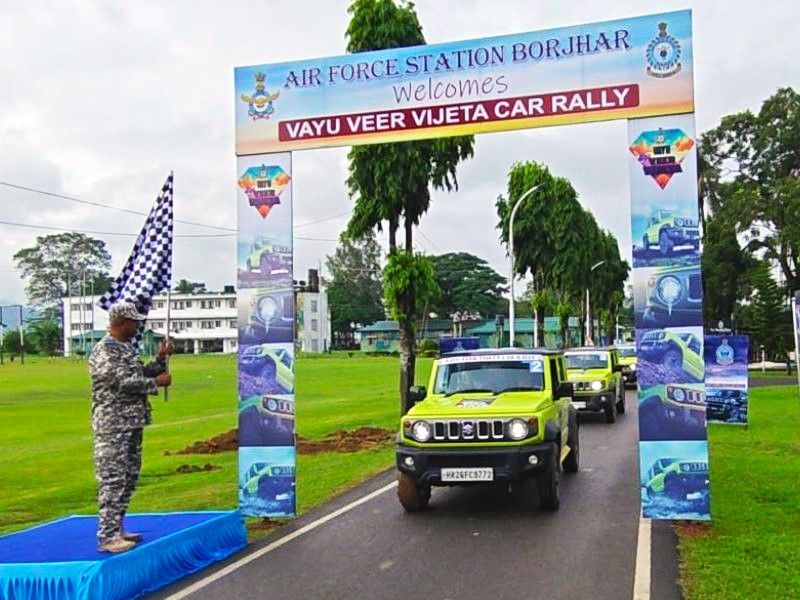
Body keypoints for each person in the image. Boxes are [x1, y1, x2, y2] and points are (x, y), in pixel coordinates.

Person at [88, 301, 173, 553]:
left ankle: (118, 528)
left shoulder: (125, 348)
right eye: (134, 322)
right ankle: (107, 536)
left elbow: (140, 373)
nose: (138, 326)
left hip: (132, 421)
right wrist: (156, 383)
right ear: (122, 322)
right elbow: (120, 383)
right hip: (113, 424)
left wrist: (160, 359)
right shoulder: (105, 350)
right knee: (112, 479)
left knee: (129, 476)